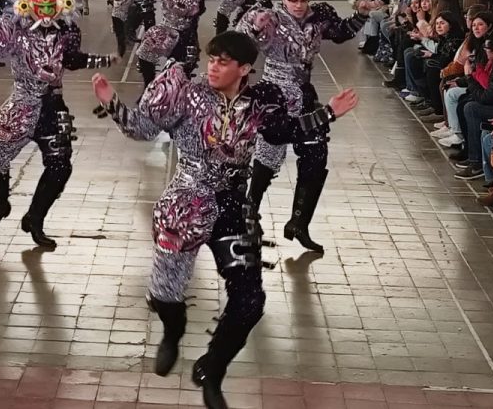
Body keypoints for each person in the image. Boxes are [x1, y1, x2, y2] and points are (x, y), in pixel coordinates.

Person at [91, 32, 358, 409]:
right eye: (211, 59)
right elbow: (143, 129)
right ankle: (172, 333)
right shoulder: (186, 94)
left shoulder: (263, 99)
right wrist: (111, 102)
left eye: (223, 62)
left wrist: (327, 112)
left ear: (244, 68)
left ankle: (213, 370)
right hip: (185, 202)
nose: (213, 67)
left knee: (250, 300)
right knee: (166, 292)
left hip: (232, 204)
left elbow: (282, 132)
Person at [0, 0, 114, 249]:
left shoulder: (67, 29)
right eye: (39, 7)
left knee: (60, 167)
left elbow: (71, 59)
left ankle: (36, 218)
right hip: (21, 104)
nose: (45, 14)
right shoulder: (11, 28)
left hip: (52, 105)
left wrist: (101, 60)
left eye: (51, 7)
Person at [234, 0, 366, 254]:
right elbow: (238, 41)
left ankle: (299, 222)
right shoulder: (269, 19)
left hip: (304, 93)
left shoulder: (318, 17)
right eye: (293, 0)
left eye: (303, 0)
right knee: (269, 155)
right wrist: (252, 31)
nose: (298, 5)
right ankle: (249, 215)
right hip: (274, 93)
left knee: (316, 154)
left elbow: (341, 33)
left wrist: (362, 14)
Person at [132, 0, 238, 87]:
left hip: (188, 31)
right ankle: (149, 89)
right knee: (144, 53)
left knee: (180, 73)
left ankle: (177, 92)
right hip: (166, 27)